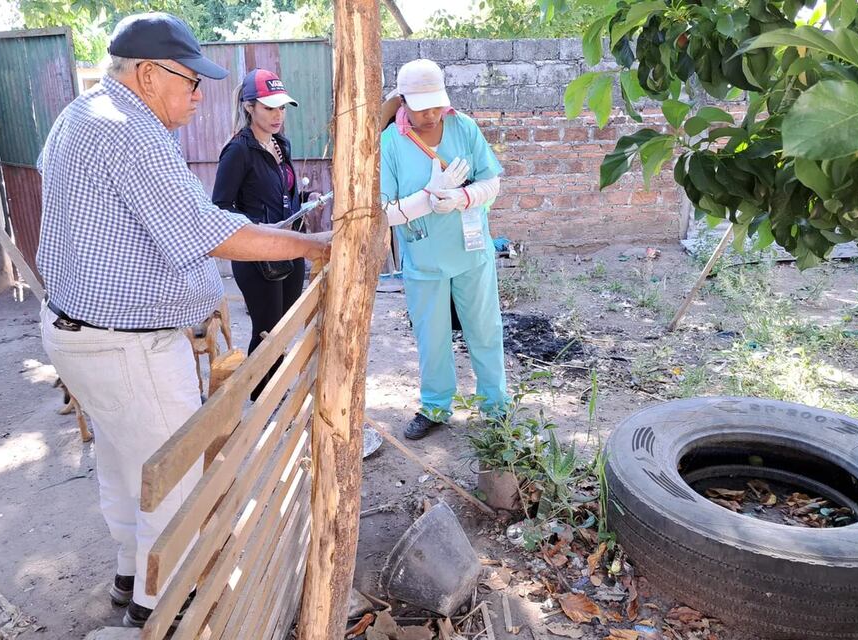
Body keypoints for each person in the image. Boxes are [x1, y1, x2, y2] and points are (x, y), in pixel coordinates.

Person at [35, 13, 330, 628]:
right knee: (175, 477)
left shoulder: (81, 114)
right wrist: (311, 245)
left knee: (126, 463)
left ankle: (130, 577)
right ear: (148, 74)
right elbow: (205, 229)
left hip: (79, 333)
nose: (199, 95)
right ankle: (161, 610)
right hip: (127, 345)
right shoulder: (130, 132)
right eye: (191, 81)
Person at [380, 59, 508, 440]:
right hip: (424, 260)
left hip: (471, 254)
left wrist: (462, 197)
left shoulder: (463, 127)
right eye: (422, 108)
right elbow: (383, 212)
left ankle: (496, 406)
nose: (432, 114)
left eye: (437, 104)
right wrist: (427, 199)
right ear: (403, 102)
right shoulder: (391, 143)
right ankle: (435, 406)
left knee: (485, 330)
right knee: (431, 338)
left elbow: (492, 183)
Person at [212, 69, 310, 398]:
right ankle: (260, 393)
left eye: (281, 107)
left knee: (284, 327)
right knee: (267, 329)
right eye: (269, 108)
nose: (277, 115)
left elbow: (279, 194)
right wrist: (258, 227)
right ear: (249, 107)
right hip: (256, 255)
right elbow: (220, 207)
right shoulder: (238, 150)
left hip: (289, 248)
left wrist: (302, 202)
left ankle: (271, 389)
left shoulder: (281, 144)